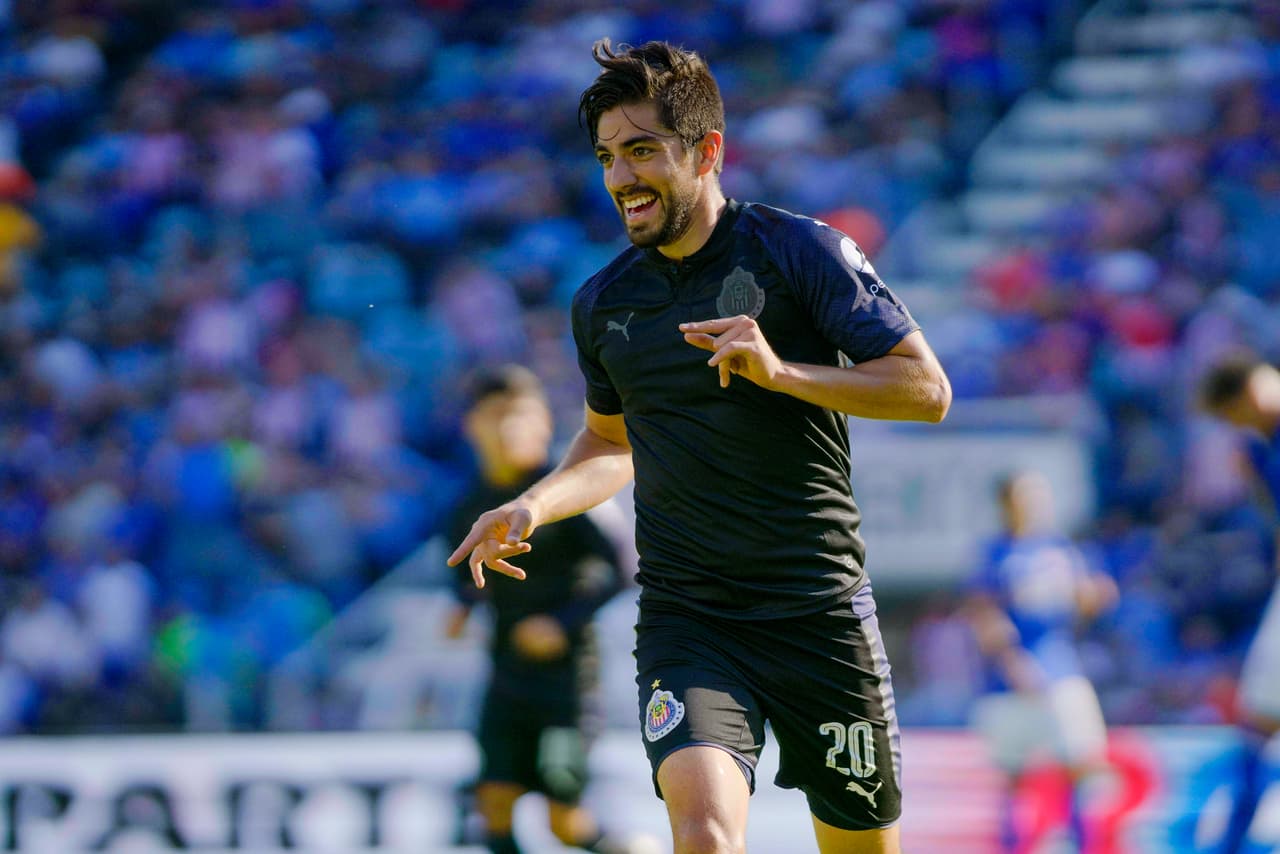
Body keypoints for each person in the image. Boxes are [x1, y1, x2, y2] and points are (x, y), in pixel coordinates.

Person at [448, 39, 951, 854]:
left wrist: (784, 372)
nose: (620, 178)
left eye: (641, 151)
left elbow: (926, 390)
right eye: (608, 157)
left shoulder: (799, 253)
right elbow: (611, 444)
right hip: (692, 618)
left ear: (707, 150)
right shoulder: (604, 303)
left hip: (819, 612)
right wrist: (530, 505)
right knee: (705, 833)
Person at [445, 364, 650, 854]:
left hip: (567, 681)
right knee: (493, 804)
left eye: (521, 414)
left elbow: (625, 567)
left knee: (563, 820)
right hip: (505, 677)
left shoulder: (560, 492)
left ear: (542, 421)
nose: (511, 427)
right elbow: (462, 577)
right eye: (498, 415)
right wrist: (460, 607)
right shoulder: (466, 504)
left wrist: (561, 624)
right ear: (472, 425)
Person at [962, 469, 1117, 852]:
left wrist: (1093, 596)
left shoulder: (1062, 548)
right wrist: (1012, 661)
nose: (1033, 504)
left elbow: (1091, 600)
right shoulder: (995, 553)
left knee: (1084, 770)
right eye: (1024, 496)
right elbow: (983, 615)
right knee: (1015, 781)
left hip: (1060, 669)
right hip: (1011, 683)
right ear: (1005, 504)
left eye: (1038, 495)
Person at [1199, 354, 1280, 854]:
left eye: (1231, 418)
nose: (1236, 429)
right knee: (1261, 718)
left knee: (1261, 718)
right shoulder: (1262, 448)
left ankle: (1231, 844)